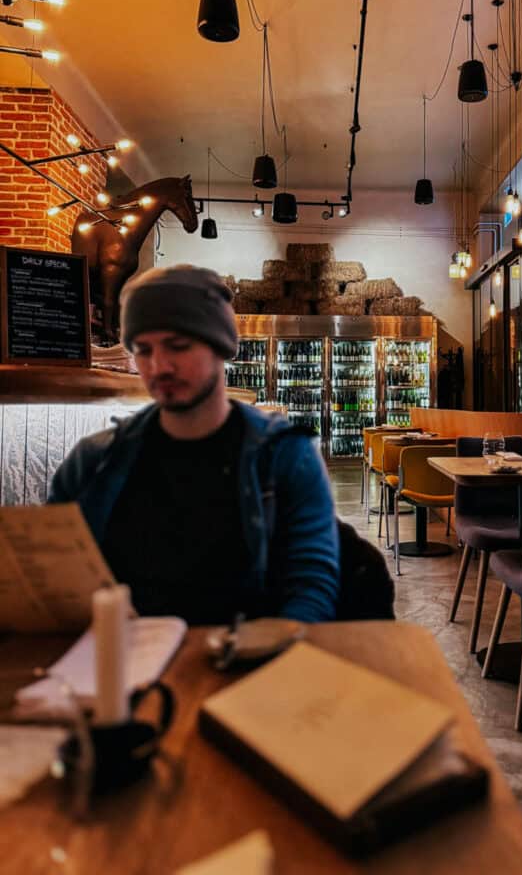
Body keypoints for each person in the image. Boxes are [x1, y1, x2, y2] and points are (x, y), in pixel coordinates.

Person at [49, 265, 340, 625]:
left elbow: (311, 584)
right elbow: (56, 580)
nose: (159, 367)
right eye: (143, 350)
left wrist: (270, 644)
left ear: (220, 346)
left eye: (178, 346)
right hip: (122, 667)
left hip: (247, 664)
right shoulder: (92, 462)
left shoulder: (285, 457)